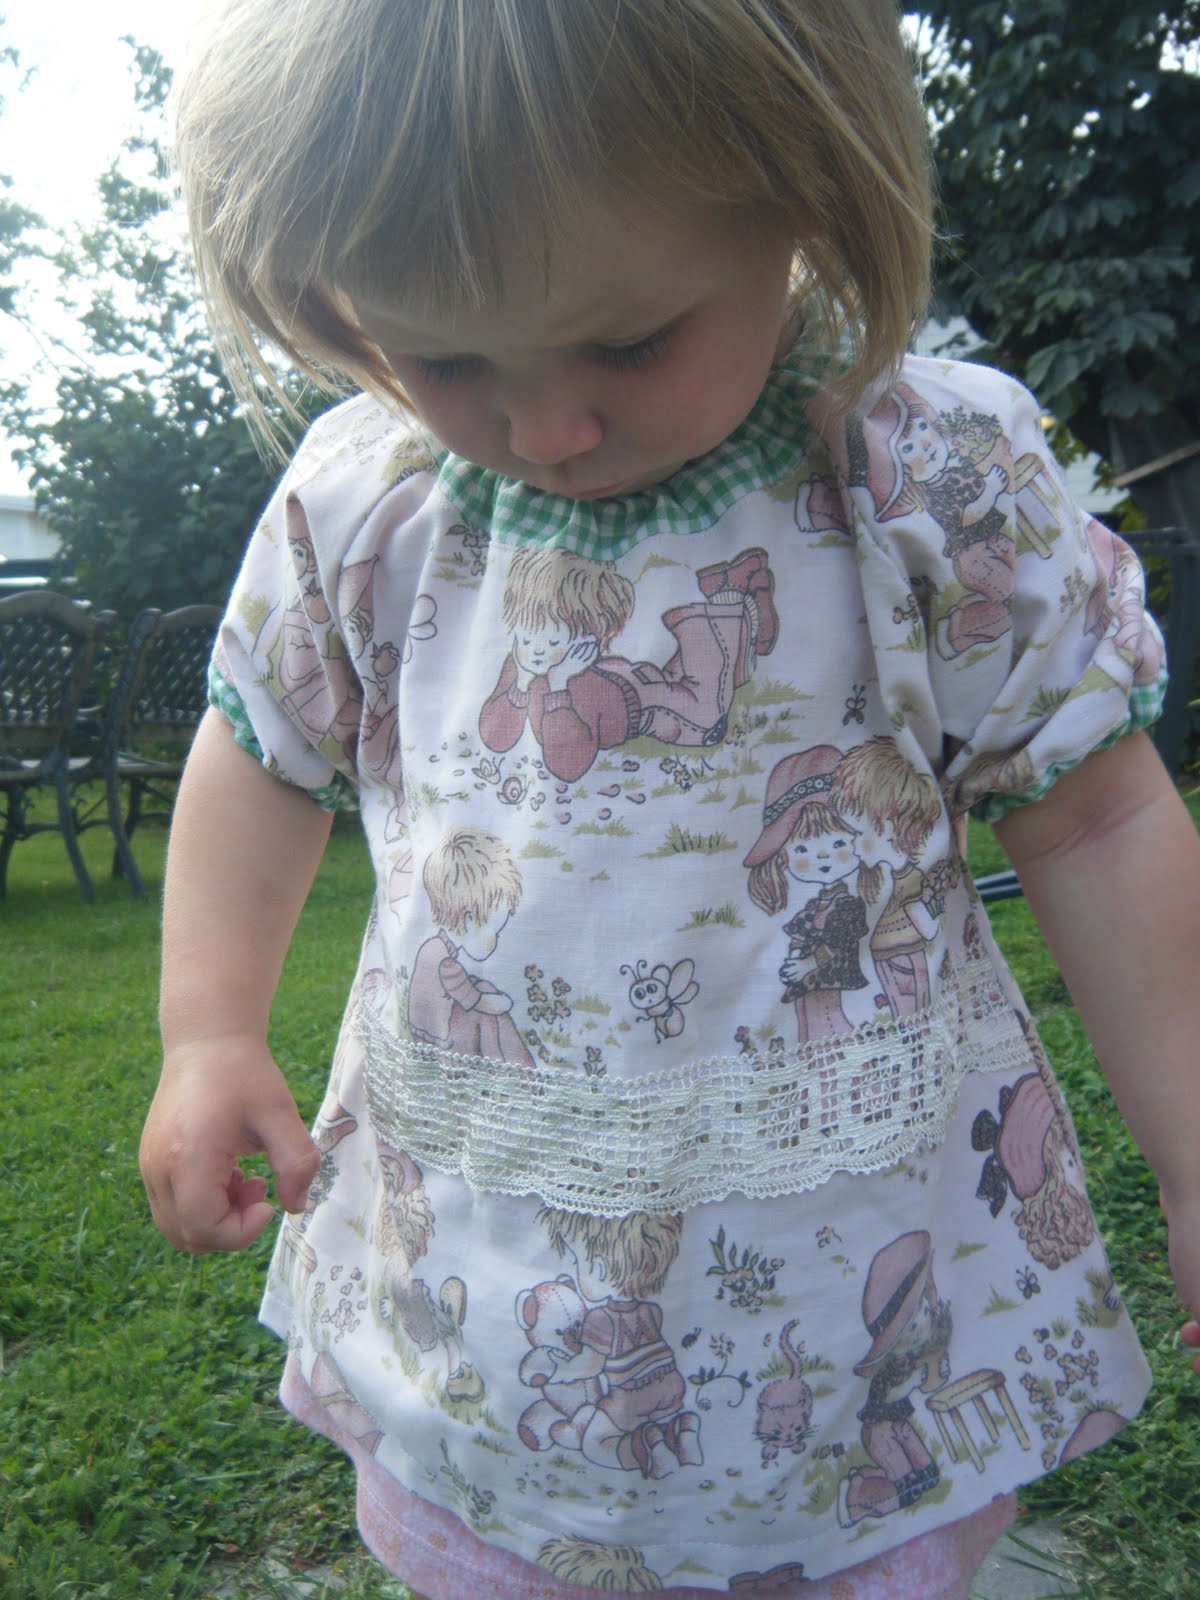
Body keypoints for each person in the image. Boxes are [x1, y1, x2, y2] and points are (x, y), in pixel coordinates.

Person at [138, 2, 1200, 1596]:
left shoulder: (924, 475)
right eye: (446, 358)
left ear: (807, 193)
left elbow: (1098, 820)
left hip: (846, 1281)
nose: (546, 428)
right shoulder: (368, 501)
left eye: (630, 342)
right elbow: (261, 755)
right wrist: (209, 1028)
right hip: (486, 1272)